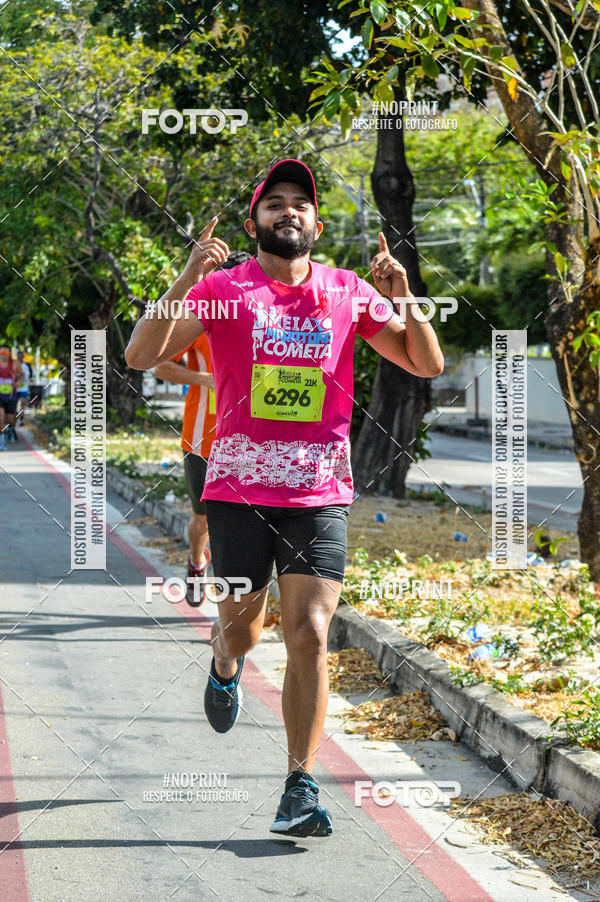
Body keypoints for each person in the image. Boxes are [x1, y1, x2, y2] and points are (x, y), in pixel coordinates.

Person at [125, 159, 443, 838]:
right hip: (238, 488)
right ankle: (223, 660)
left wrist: (405, 293)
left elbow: (425, 364)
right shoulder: (223, 289)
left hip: (319, 490)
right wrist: (186, 276)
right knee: (244, 627)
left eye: (301, 203)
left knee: (310, 632)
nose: (289, 211)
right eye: (276, 204)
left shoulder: (349, 291)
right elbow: (140, 354)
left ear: (317, 224)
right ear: (254, 223)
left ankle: (299, 785)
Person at [154, 251, 251, 606]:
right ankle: (197, 562)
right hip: (202, 438)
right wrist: (206, 380)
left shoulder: (260, 319)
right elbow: (160, 365)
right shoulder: (199, 319)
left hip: (250, 440)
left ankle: (234, 596)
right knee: (203, 520)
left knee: (242, 522)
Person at [0, 344, 23, 449]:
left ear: (10, 354)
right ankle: (2, 439)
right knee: (1, 416)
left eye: (6, 353)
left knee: (10, 419)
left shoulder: (15, 363)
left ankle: (10, 429)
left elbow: (22, 375)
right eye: (2, 352)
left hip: (11, 395)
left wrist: (18, 383)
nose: (4, 355)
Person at [16, 350, 32, 425]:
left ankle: (21, 419)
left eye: (21, 356)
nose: (20, 358)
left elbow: (27, 377)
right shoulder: (14, 365)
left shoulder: (26, 366)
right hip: (15, 388)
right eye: (19, 356)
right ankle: (14, 417)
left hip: (23, 388)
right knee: (14, 404)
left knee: (23, 403)